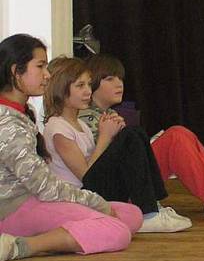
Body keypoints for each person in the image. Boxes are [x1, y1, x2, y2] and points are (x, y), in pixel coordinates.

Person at [0, 34, 142, 261]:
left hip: (34, 200)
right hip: (14, 210)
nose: (47, 75)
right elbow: (43, 187)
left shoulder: (22, 112)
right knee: (117, 231)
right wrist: (93, 201)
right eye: (40, 66)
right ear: (17, 71)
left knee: (131, 214)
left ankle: (62, 236)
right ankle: (19, 246)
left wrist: (91, 202)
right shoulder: (7, 123)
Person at [78, 54, 204, 221]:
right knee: (176, 137)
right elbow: (95, 169)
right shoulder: (86, 118)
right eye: (110, 78)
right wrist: (107, 136)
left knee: (181, 134)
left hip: (126, 178)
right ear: (92, 84)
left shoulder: (106, 114)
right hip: (115, 188)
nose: (119, 83)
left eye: (120, 78)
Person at [43, 56, 193, 233]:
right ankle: (148, 213)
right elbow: (86, 175)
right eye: (80, 86)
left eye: (89, 85)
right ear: (61, 89)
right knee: (129, 135)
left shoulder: (80, 124)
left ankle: (153, 205)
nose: (88, 92)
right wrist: (105, 138)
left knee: (135, 133)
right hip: (80, 195)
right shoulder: (58, 128)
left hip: (93, 189)